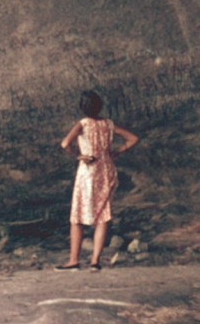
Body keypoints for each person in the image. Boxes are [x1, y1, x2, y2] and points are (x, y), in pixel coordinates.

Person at [55, 90, 139, 272]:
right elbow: (133, 138)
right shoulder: (108, 124)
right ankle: (95, 262)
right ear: (100, 106)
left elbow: (65, 144)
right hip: (107, 170)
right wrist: (118, 151)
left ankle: (74, 260)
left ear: (82, 107)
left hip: (89, 172)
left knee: (77, 216)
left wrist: (79, 156)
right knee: (103, 215)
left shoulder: (83, 123)